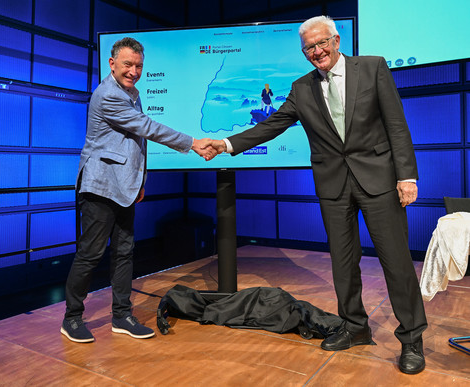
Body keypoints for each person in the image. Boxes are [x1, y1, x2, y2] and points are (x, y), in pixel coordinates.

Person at [208, 16, 427, 374]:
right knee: (342, 264)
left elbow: (396, 125)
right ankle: (355, 327)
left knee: (397, 263)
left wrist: (407, 176)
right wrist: (227, 143)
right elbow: (271, 125)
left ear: (336, 40)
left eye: (321, 43)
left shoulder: (372, 68)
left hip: (379, 181)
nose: (316, 52)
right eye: (308, 48)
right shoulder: (301, 88)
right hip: (333, 185)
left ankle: (412, 338)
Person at [61, 37, 214, 343]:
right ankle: (72, 318)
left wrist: (140, 181)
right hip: (101, 185)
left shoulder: (132, 93)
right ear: (112, 63)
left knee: (124, 253)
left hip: (124, 185)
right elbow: (147, 128)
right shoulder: (108, 95)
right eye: (128, 64)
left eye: (138, 66)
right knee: (90, 254)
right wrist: (192, 142)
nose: (133, 71)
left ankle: (121, 316)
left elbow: (135, 144)